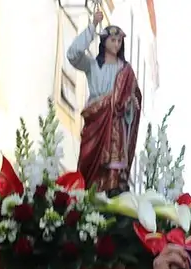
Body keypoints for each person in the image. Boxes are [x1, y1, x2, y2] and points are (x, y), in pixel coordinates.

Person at [66, 9, 142, 193]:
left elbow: (134, 97)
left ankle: (111, 192)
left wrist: (130, 104)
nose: (116, 44)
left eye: (119, 41)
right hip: (95, 119)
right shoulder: (92, 65)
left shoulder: (125, 70)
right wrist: (92, 26)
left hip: (115, 124)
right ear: (104, 41)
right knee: (88, 161)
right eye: (113, 40)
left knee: (112, 167)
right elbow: (73, 54)